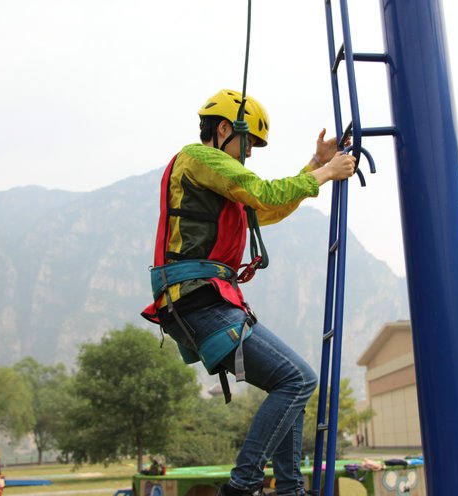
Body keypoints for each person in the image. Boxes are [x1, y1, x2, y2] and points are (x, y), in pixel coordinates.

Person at [142, 89, 356, 496]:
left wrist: (316, 164)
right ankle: (242, 486)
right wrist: (326, 173)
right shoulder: (199, 158)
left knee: (290, 384)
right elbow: (263, 193)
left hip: (203, 300)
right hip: (200, 300)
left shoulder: (215, 175)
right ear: (224, 129)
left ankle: (290, 490)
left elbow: (266, 209)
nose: (252, 154)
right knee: (298, 381)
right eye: (250, 143)